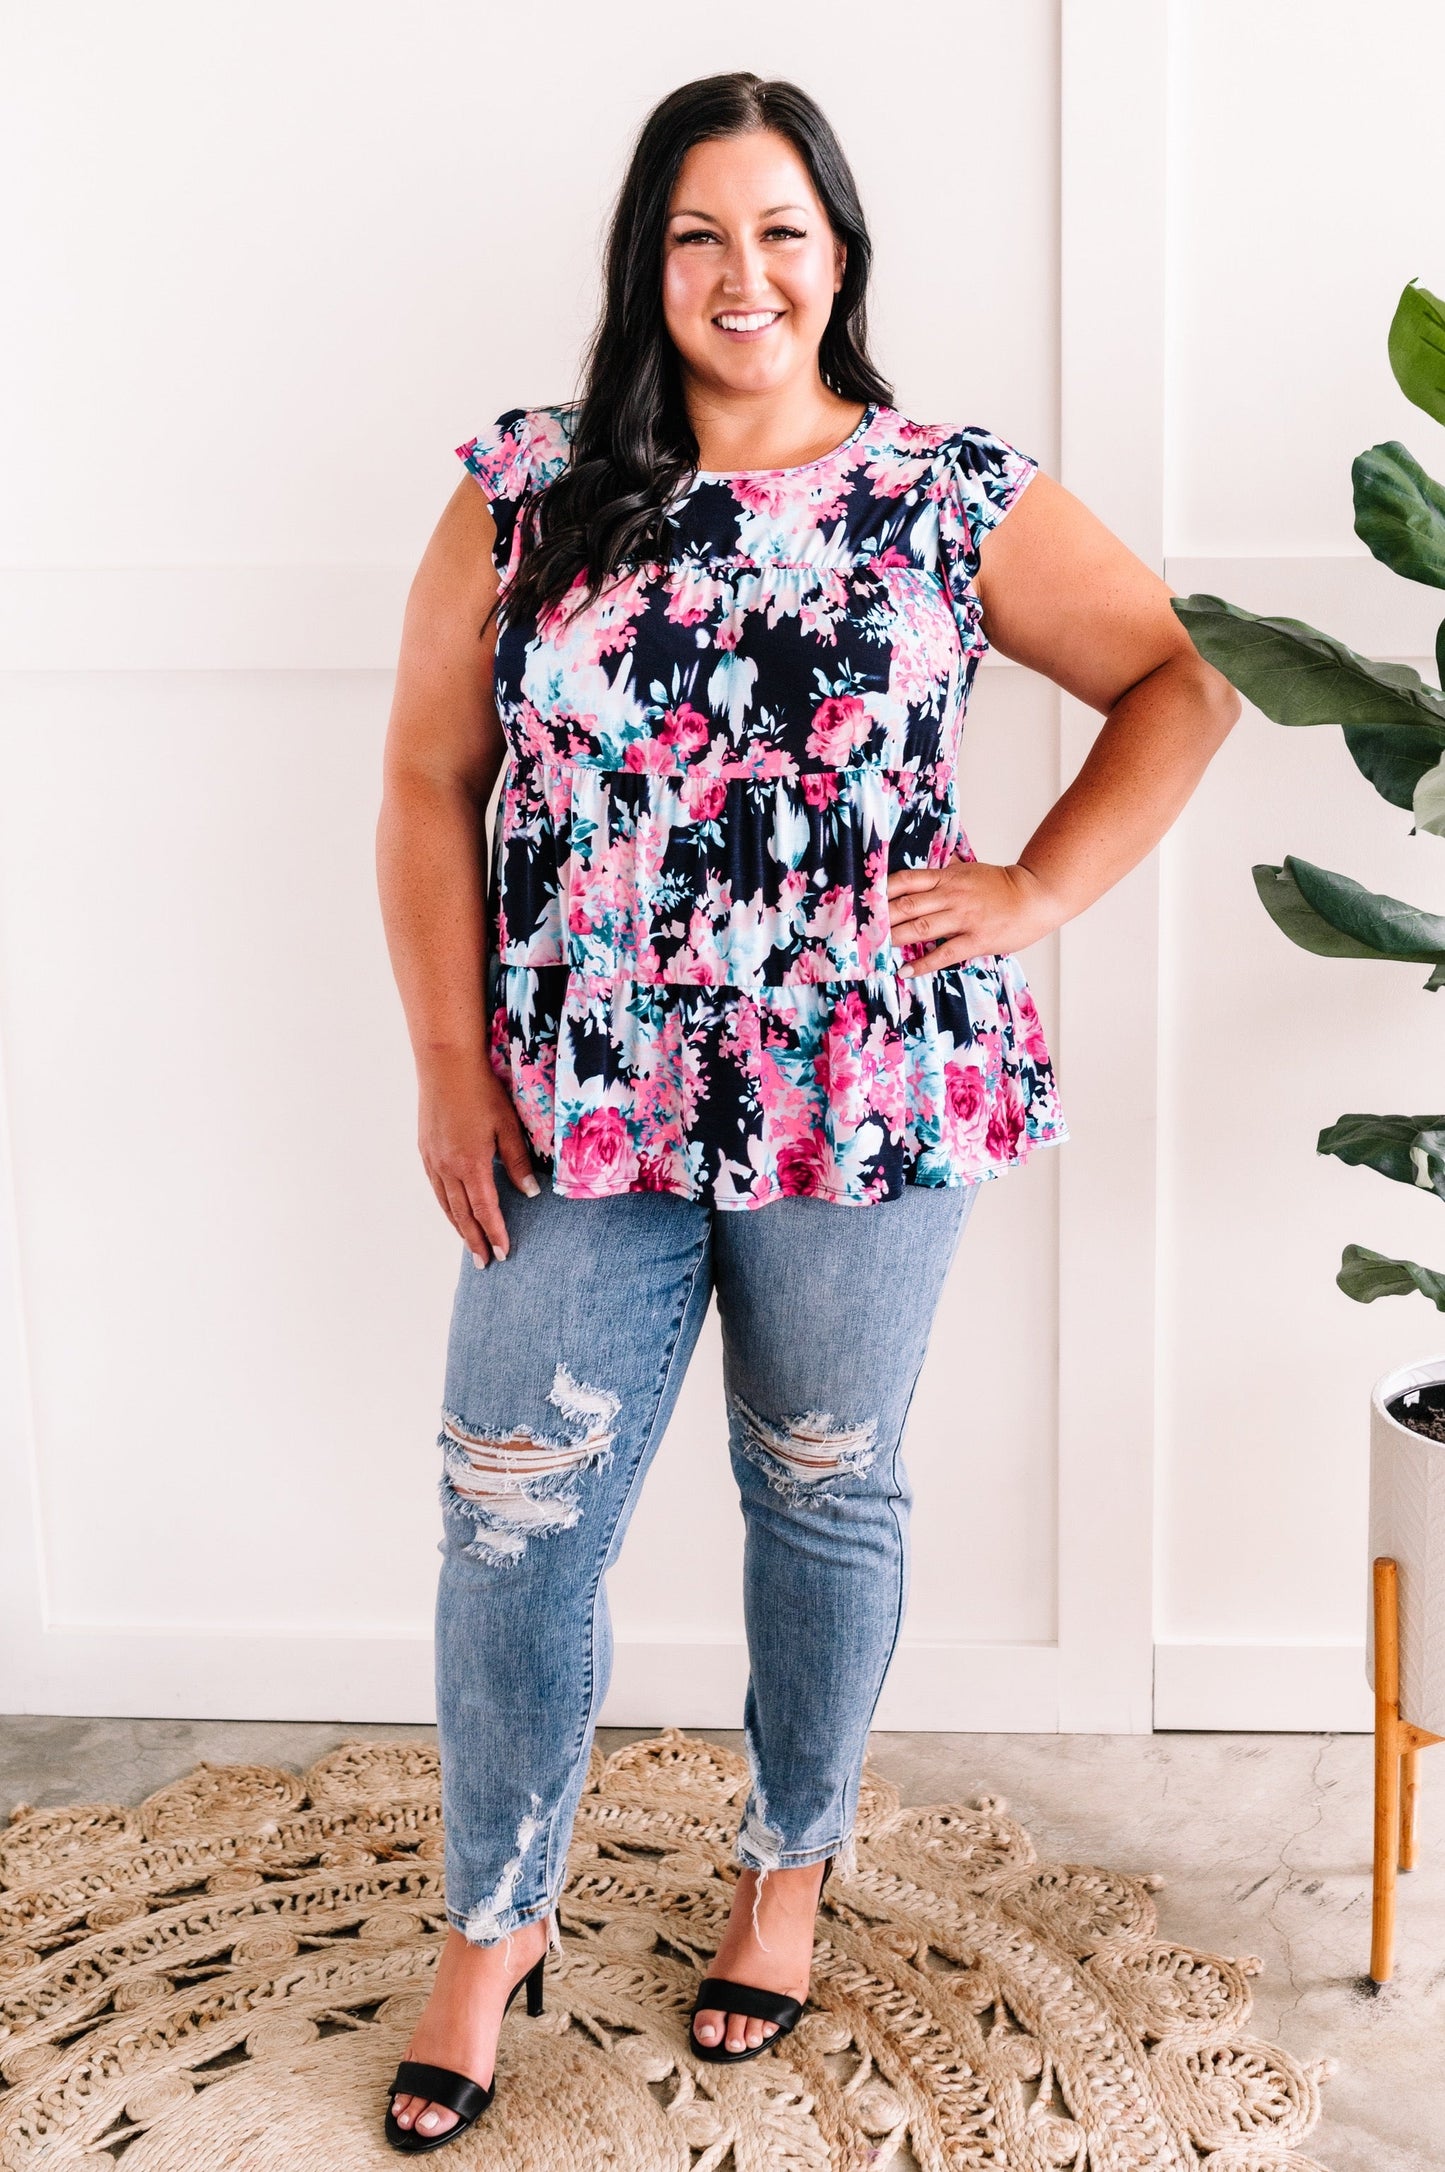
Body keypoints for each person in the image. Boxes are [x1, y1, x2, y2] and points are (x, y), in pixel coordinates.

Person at [374, 68, 1239, 2151]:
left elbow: (1178, 683)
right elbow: (428, 780)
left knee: (823, 1480)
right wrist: (440, 1059)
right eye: (699, 234)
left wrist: (1032, 890)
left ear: (839, 251)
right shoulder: (530, 481)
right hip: (579, 1092)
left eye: (782, 231)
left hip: (865, 1085)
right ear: (644, 261)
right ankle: (495, 1926)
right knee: (513, 1498)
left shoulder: (947, 487)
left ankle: (788, 1872)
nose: (743, 274)